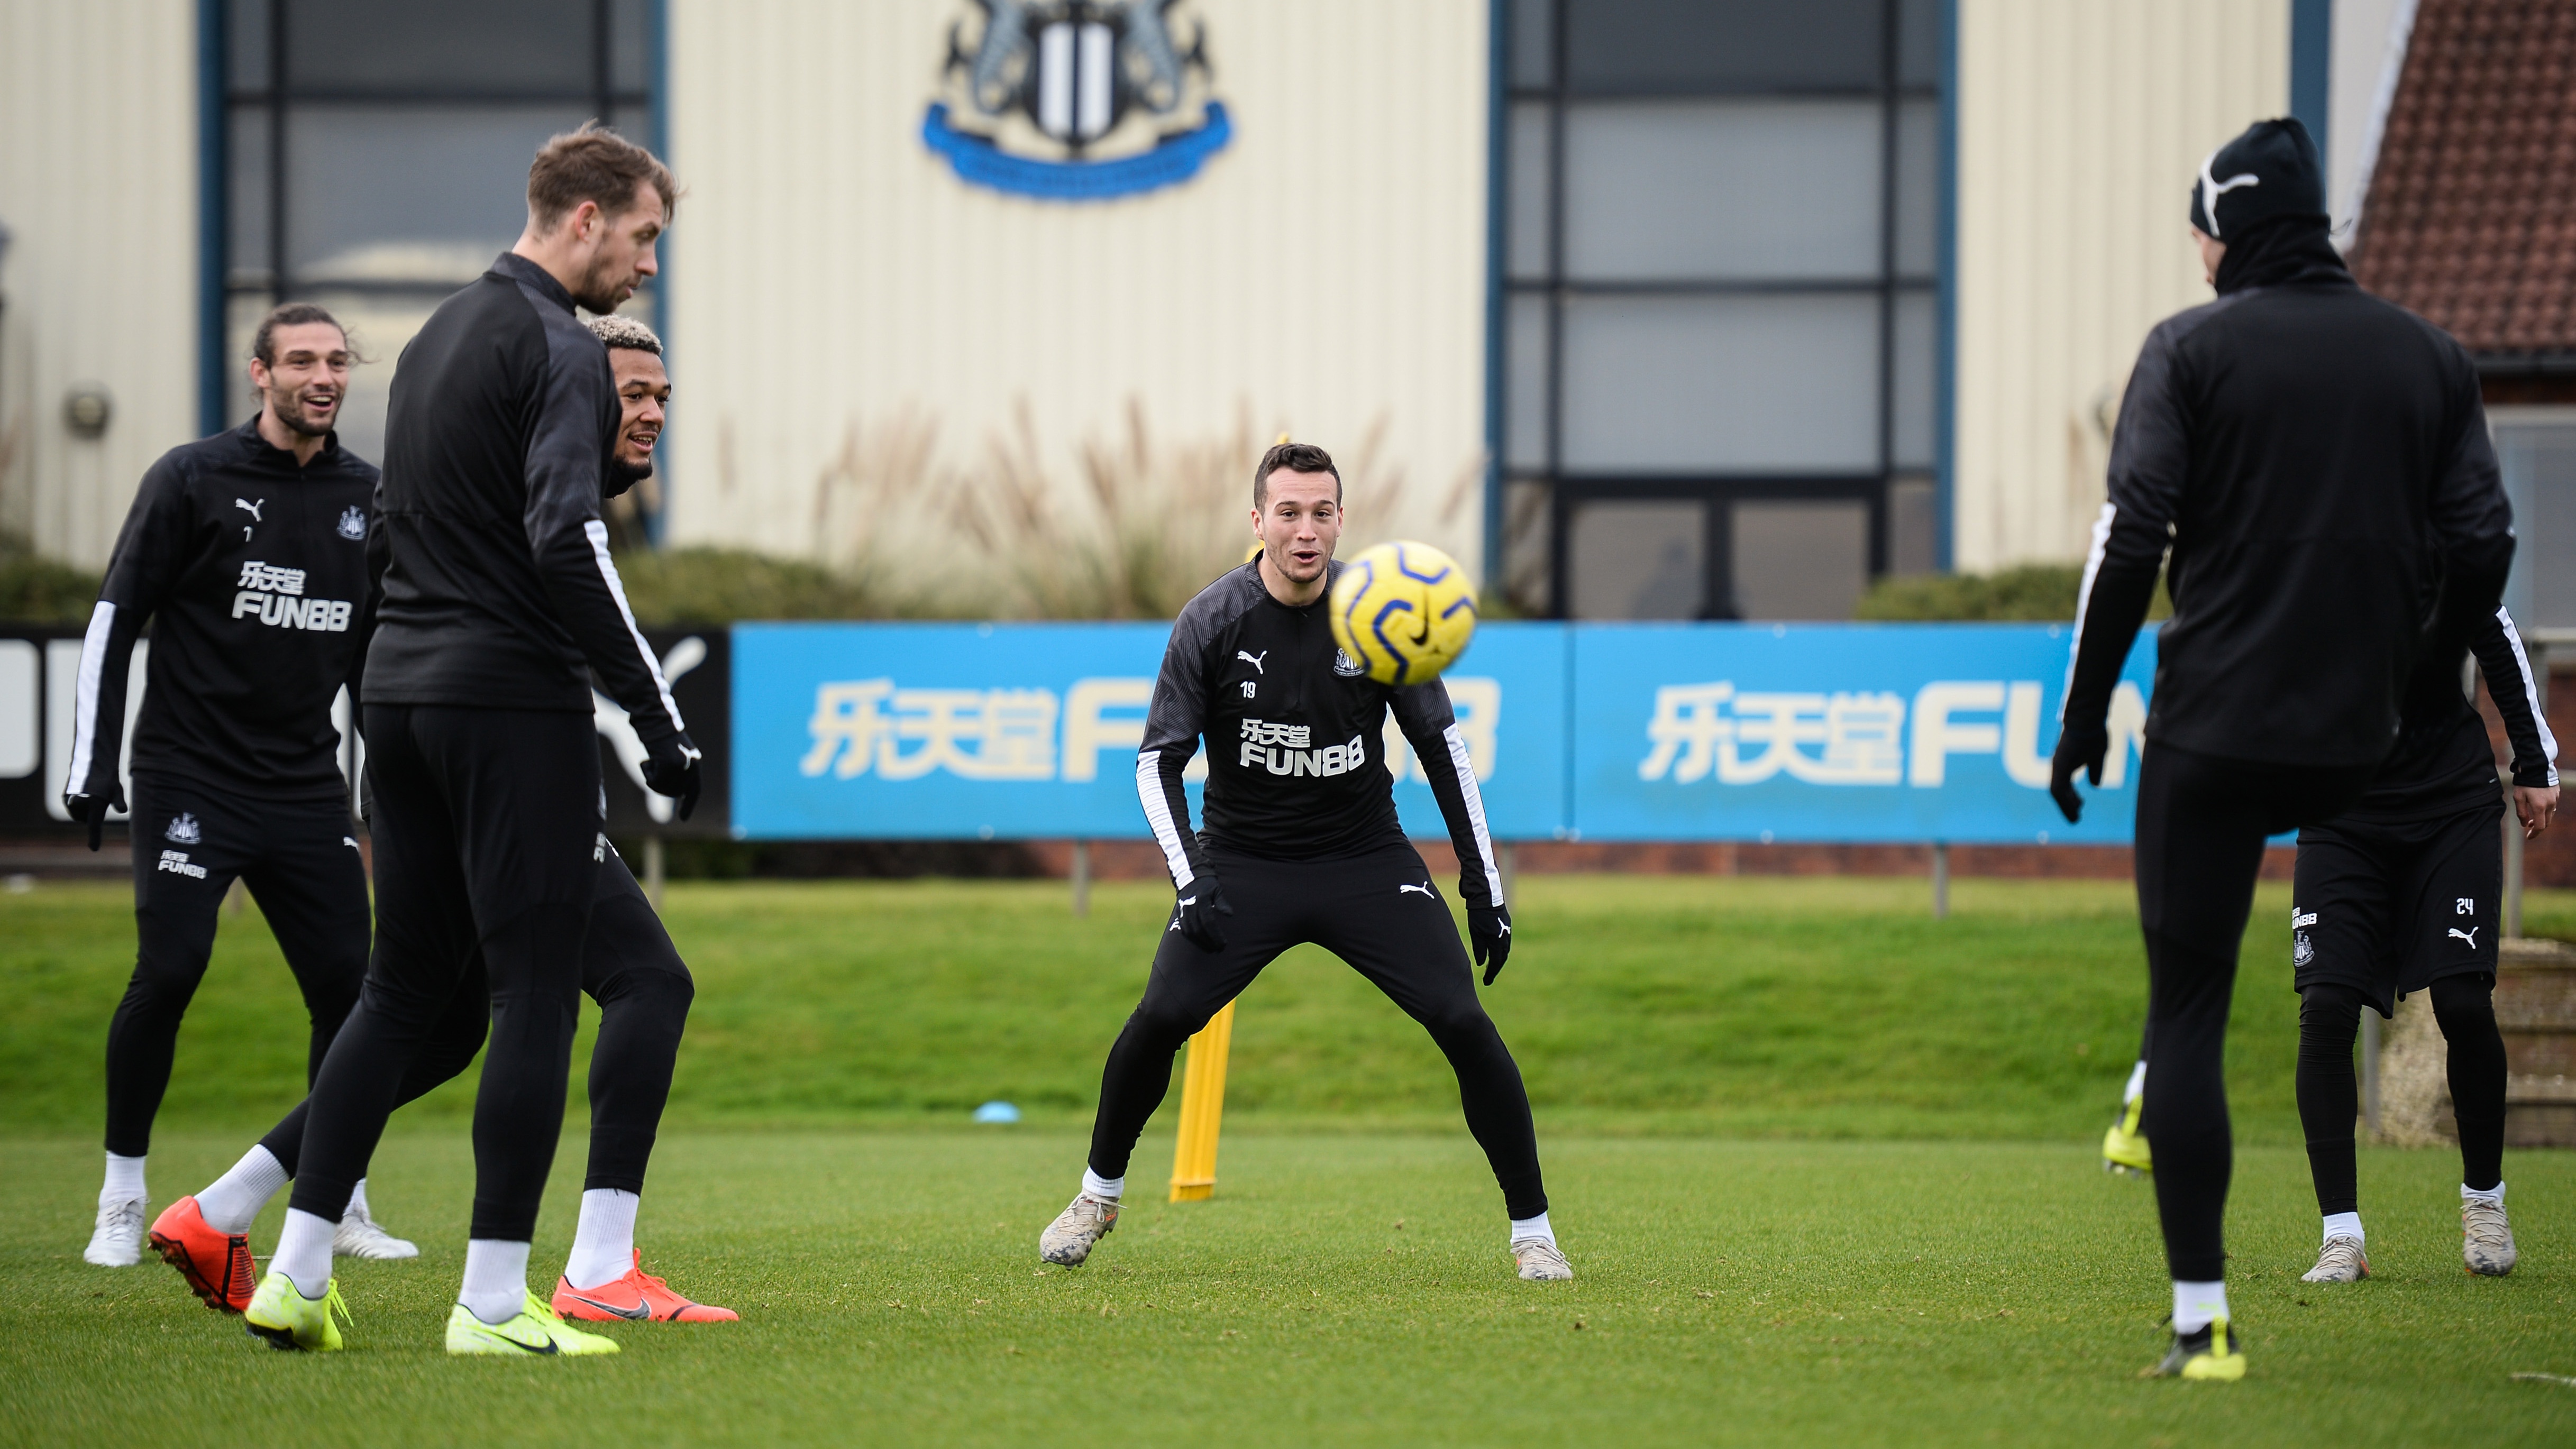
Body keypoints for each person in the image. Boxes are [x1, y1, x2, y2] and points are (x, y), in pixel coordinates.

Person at [148, 313, 732, 1327]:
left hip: (414, 745)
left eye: (661, 398)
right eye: (630, 393)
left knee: (432, 1015)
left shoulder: (469, 484)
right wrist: (654, 721)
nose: (649, 414)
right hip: (492, 764)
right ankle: (586, 1270)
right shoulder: (545, 504)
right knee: (645, 980)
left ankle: (225, 1212)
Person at [2050, 118, 2513, 1381]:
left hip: (2212, 730)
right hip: (2362, 741)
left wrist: (2084, 710)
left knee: (2188, 1009)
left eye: (2197, 232)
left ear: (2224, 237)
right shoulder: (2427, 357)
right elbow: (2483, 547)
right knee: (2329, 987)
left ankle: (2200, 1324)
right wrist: (2404, 660)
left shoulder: (2186, 349)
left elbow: (2129, 540)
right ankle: (2376, 1213)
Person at [239, 124, 701, 1358]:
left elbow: (389, 534)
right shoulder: (558, 345)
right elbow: (562, 539)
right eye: (646, 235)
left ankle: (289, 1272)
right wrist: (654, 720)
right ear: (589, 217)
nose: (649, 265)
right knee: (538, 992)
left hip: (402, 701)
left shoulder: (438, 334)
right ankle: (494, 1301)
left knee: (397, 994)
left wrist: (383, 694)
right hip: (508, 706)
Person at [1037, 441, 1569, 1283]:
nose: (1305, 530)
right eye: (1288, 512)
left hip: (1363, 857)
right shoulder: (1211, 620)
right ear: (1258, 523)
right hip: (1242, 863)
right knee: (1159, 1017)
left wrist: (1482, 884)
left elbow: (1442, 748)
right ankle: (1097, 1196)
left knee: (1464, 1022)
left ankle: (1534, 1233)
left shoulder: (1380, 613)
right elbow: (1154, 763)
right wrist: (1191, 878)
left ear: (1340, 521)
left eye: (1321, 512)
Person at [69, 303, 416, 1270]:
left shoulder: (369, 496)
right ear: (259, 374)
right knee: (171, 970)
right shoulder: (191, 478)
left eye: (337, 361)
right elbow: (115, 619)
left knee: (355, 996)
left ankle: (337, 1203)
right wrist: (91, 765)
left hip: (304, 786)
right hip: (189, 775)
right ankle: (122, 1196)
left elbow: (374, 664)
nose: (323, 375)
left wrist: (387, 788)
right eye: (301, 359)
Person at [2291, 607, 2556, 1283]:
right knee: (2325, 1007)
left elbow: (2496, 641)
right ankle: (2340, 1236)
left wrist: (2534, 760)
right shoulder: (2296, 537)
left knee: (2462, 1000)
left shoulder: (2436, 525)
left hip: (2450, 807)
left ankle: (2484, 1202)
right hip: (2340, 810)